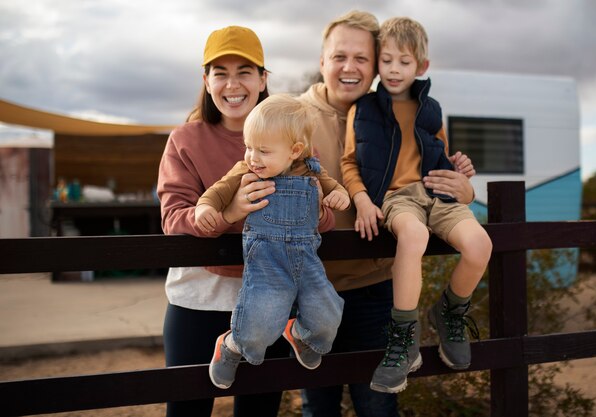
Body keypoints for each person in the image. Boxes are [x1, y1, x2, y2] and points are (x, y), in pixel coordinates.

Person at [298, 10, 476, 416]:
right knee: (317, 406)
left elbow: (432, 178)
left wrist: (464, 189)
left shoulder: (399, 113)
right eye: (340, 56)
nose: (349, 67)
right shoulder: (293, 116)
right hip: (309, 288)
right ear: (322, 59)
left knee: (379, 407)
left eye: (362, 58)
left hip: (376, 285)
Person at [157, 26, 336, 417]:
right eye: (220, 72)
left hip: (272, 295)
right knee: (186, 409)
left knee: (258, 410)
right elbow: (173, 218)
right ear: (206, 81)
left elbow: (324, 219)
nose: (232, 83)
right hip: (199, 297)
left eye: (244, 71)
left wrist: (315, 208)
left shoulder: (295, 141)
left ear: (262, 79)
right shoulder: (184, 140)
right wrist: (229, 212)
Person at [340, 16, 493, 394]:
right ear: (378, 63)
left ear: (421, 66)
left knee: (481, 245)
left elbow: (439, 154)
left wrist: (460, 172)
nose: (394, 69)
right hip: (395, 198)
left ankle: (449, 311)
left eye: (404, 62)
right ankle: (403, 339)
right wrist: (361, 198)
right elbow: (348, 163)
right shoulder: (363, 109)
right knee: (413, 235)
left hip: (435, 193)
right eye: (387, 60)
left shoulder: (431, 109)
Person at [195, 94, 349, 389]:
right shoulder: (245, 171)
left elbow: (335, 189)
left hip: (307, 260)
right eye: (249, 147)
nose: (253, 157)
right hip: (266, 261)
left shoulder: (312, 169)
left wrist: (338, 196)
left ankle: (301, 334)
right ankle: (232, 345)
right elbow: (216, 191)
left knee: (327, 314)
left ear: (295, 150)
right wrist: (206, 208)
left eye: (263, 150)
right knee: (260, 324)